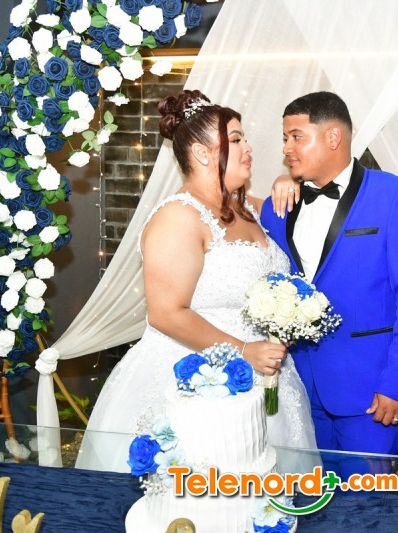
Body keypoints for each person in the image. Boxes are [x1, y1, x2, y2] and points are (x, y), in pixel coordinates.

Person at [76, 90, 317, 473]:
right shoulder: (177, 218)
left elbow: (301, 208)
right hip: (198, 376)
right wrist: (244, 351)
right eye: (236, 139)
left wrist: (285, 181)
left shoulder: (248, 208)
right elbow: (166, 313)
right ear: (203, 153)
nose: (248, 147)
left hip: (268, 376)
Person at [260, 91, 398, 469]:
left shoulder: (396, 197)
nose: (287, 148)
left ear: (333, 137)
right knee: (308, 497)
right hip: (297, 390)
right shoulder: (275, 208)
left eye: (296, 137)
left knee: (369, 499)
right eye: (285, 138)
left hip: (370, 394)